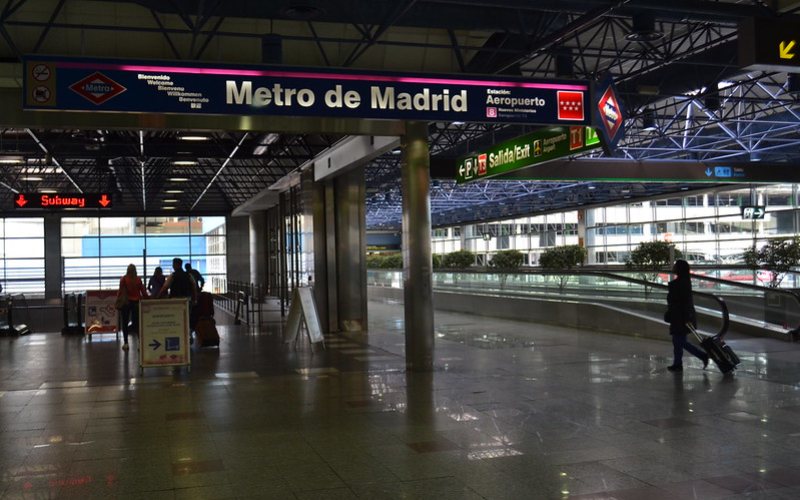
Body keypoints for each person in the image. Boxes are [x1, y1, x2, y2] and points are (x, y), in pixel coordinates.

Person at [666, 259, 709, 372]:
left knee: (679, 341)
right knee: (678, 341)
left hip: (680, 317)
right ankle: (677, 364)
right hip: (680, 316)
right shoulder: (684, 281)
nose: (673, 267)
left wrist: (686, 318)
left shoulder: (681, 283)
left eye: (675, 266)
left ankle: (702, 356)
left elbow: (681, 301)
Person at [118, 263, 146, 351]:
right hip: (136, 303)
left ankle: (126, 343)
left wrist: (118, 301)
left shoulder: (123, 279)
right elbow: (143, 292)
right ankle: (140, 343)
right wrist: (149, 298)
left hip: (126, 303)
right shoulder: (138, 279)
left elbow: (120, 292)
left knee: (125, 323)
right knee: (137, 323)